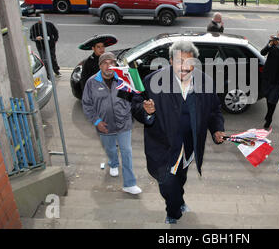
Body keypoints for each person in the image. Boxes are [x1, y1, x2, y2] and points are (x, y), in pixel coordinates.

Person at [131, 41, 225, 224]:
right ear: (170, 61)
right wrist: (146, 111)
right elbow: (135, 105)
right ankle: (173, 211)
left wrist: (216, 129)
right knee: (166, 183)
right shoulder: (152, 81)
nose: (185, 67)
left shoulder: (206, 82)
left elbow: (214, 110)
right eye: (179, 61)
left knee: (180, 177)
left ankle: (178, 201)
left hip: (189, 145)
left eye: (189, 62)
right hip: (162, 147)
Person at [82, 52, 142, 195]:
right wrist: (97, 122)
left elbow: (135, 97)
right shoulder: (92, 82)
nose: (109, 66)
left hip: (124, 124)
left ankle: (129, 184)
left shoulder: (123, 79)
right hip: (105, 125)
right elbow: (87, 104)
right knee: (110, 149)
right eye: (105, 63)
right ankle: (113, 163)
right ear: (100, 66)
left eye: (112, 63)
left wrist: (134, 78)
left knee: (126, 152)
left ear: (116, 65)